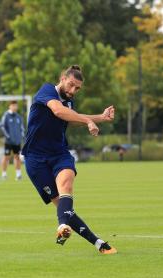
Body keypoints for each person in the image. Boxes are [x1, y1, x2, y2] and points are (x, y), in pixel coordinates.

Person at [22, 65, 117, 254]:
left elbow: (71, 120)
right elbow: (58, 111)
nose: (73, 90)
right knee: (64, 207)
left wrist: (100, 118)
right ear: (62, 78)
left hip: (59, 154)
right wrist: (89, 121)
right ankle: (98, 243)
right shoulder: (47, 90)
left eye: (78, 88)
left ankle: (62, 227)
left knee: (66, 184)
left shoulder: (69, 102)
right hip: (35, 159)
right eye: (71, 85)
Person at [1, 101, 25, 180]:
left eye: (16, 106)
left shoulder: (19, 117)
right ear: (10, 106)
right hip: (8, 141)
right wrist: (8, 136)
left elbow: (22, 128)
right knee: (6, 157)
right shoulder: (6, 116)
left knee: (17, 157)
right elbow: (3, 127)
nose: (15, 107)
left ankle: (18, 174)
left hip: (17, 141)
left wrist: (21, 137)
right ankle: (4, 173)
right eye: (13, 106)